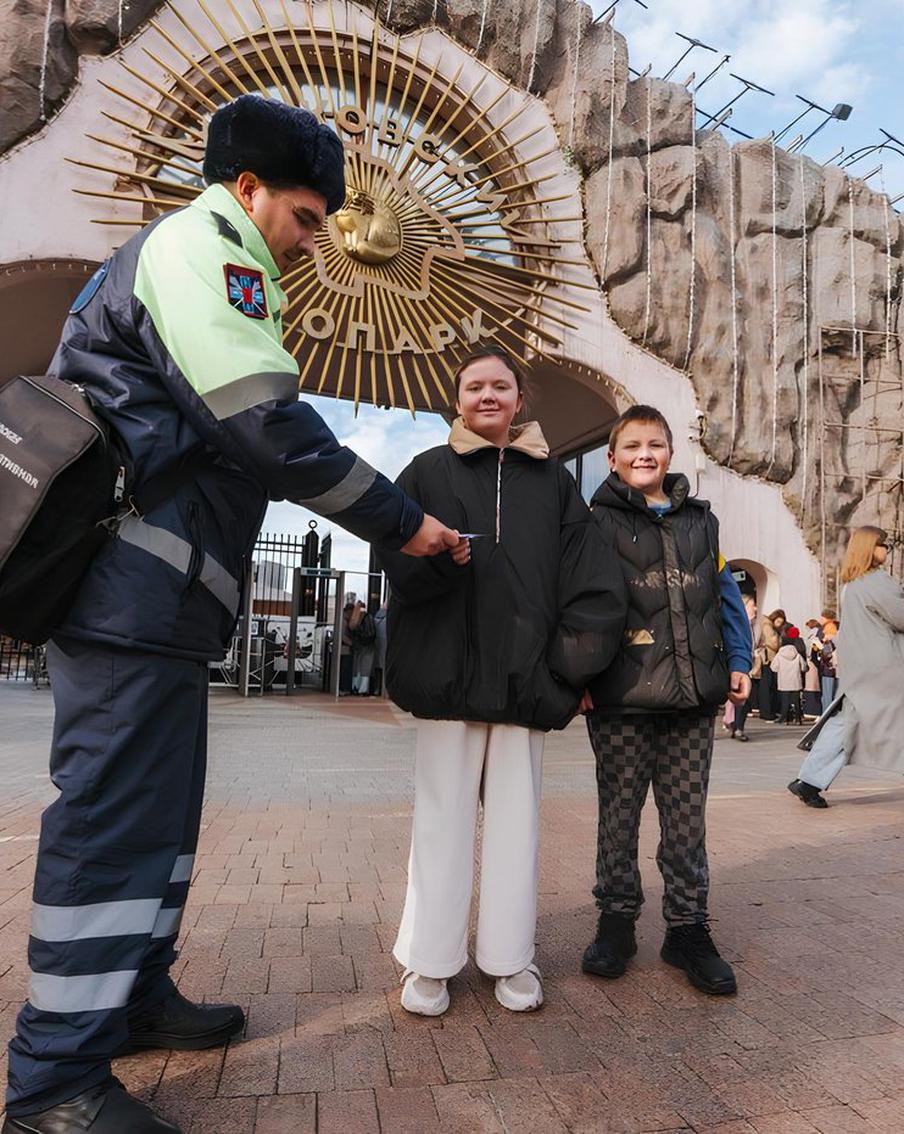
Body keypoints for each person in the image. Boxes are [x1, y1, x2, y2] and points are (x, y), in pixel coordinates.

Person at [4, 96, 459, 1134]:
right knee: (114, 825)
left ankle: (128, 999)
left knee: (157, 825)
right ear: (247, 189)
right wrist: (404, 523)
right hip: (130, 596)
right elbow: (267, 424)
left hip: (159, 603)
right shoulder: (204, 248)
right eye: (304, 218)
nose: (309, 244)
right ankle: (53, 1083)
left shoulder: (198, 257)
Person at [377, 346, 626, 1017]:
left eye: (500, 386)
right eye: (473, 386)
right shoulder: (424, 471)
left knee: (517, 826)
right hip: (444, 676)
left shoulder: (554, 484)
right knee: (440, 820)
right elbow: (394, 559)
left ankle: (511, 959)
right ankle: (428, 962)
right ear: (456, 401)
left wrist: (568, 667)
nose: (487, 395)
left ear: (520, 400)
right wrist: (439, 560)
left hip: (528, 680)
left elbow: (593, 583)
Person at [579, 405, 752, 997]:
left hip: (692, 698)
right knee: (619, 816)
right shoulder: (593, 522)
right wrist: (574, 674)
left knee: (685, 822)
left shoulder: (702, 522)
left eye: (654, 444)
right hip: (621, 696)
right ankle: (617, 921)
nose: (643, 454)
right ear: (612, 458)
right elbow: (575, 604)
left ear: (671, 453)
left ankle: (687, 929)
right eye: (631, 446)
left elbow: (726, 593)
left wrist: (737, 659)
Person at [789, 527, 904, 808]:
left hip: (861, 668)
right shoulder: (878, 582)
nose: (886, 550)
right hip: (884, 668)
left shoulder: (851, 584)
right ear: (870, 548)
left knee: (845, 725)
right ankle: (809, 781)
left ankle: (810, 780)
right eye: (882, 545)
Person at [770, 628, 807, 724]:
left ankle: (784, 718)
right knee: (796, 701)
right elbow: (804, 667)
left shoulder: (779, 655)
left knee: (785, 701)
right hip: (795, 681)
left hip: (784, 681)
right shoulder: (797, 655)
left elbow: (773, 667)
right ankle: (798, 719)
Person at [758, 609, 786, 720]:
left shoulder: (767, 625)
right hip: (768, 658)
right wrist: (779, 642)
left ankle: (767, 711)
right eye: (778, 622)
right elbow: (773, 643)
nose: (779, 625)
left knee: (768, 686)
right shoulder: (767, 626)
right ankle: (767, 712)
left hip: (769, 658)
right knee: (767, 686)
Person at [349, 599, 377, 694]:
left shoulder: (354, 618)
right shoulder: (368, 617)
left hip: (357, 646)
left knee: (357, 668)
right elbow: (372, 632)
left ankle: (354, 686)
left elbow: (352, 630)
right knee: (366, 667)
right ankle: (363, 689)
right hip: (368, 646)